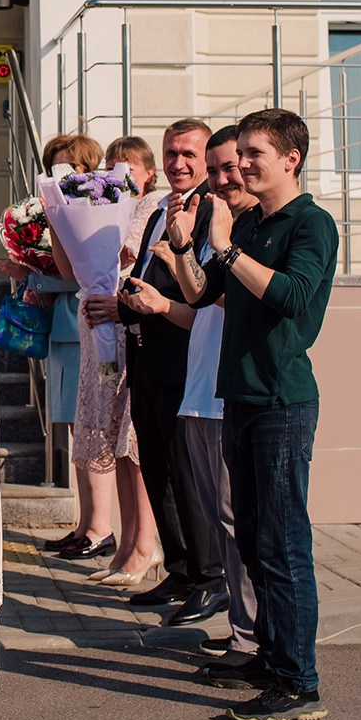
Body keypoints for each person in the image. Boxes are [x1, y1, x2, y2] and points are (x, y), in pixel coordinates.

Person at [165, 108, 338, 720]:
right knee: (258, 540)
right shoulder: (253, 223)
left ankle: (300, 683)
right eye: (241, 155)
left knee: (285, 543)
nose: (241, 166)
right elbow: (198, 292)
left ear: (291, 158)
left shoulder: (310, 225)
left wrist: (227, 248)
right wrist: (187, 247)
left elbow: (291, 296)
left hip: (282, 403)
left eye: (254, 154)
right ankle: (270, 658)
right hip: (237, 397)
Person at [145, 125, 261, 682]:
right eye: (214, 170)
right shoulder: (216, 226)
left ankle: (252, 638)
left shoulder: (249, 230)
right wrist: (165, 285)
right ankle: (242, 632)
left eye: (228, 167)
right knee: (225, 524)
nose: (220, 179)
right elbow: (200, 304)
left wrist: (198, 244)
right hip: (200, 389)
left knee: (240, 526)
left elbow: (220, 295)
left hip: (227, 395)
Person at [119, 120, 228, 627]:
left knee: (187, 472)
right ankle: (182, 568)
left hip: (186, 353)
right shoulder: (164, 206)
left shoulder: (213, 208)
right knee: (159, 468)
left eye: (188, 153)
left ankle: (210, 578)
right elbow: (151, 270)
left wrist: (159, 297)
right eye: (170, 153)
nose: (178, 162)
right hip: (148, 353)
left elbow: (199, 288)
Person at [72, 134, 164, 590]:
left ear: (148, 172)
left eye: (128, 165)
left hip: (129, 325)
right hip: (103, 326)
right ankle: (128, 544)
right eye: (112, 164)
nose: (118, 172)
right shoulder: (111, 204)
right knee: (116, 441)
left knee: (132, 442)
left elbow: (128, 257)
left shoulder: (151, 208)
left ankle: (145, 544)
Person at [23, 133, 111, 562]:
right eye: (55, 167)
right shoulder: (59, 211)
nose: (63, 174)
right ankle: (84, 524)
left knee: (91, 432)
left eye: (71, 167)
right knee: (75, 434)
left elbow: (85, 274)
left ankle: (101, 528)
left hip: (86, 332)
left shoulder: (99, 209)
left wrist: (34, 277)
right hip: (63, 330)